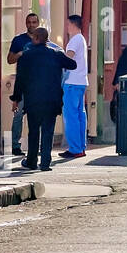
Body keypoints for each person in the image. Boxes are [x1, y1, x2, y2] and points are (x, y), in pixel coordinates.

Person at [10, 28, 74, 172]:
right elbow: (72, 65)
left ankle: (32, 161)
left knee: (33, 131)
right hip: (52, 99)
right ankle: (45, 163)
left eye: (34, 37)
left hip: (33, 100)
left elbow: (20, 79)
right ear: (46, 40)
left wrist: (16, 98)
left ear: (36, 38)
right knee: (48, 131)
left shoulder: (26, 56)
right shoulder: (55, 54)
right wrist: (60, 58)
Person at [7, 12, 42, 158]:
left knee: (37, 116)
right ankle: (15, 145)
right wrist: (20, 54)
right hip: (22, 83)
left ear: (38, 23)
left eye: (34, 22)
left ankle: (36, 146)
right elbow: (9, 59)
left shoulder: (42, 40)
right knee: (18, 115)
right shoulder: (18, 40)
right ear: (26, 23)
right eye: (29, 22)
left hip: (38, 85)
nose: (31, 25)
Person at [60, 15, 89, 160]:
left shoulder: (74, 40)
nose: (66, 27)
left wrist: (57, 58)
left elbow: (68, 58)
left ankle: (74, 148)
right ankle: (81, 146)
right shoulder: (82, 39)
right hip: (82, 82)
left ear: (72, 24)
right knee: (80, 115)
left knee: (70, 116)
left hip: (72, 82)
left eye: (68, 24)